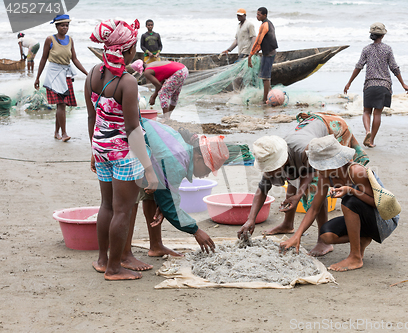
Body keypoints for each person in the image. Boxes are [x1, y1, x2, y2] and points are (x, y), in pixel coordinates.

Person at [85, 18, 158, 281]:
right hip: (123, 154)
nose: (135, 52)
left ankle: (103, 261)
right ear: (126, 50)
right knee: (123, 210)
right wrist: (149, 170)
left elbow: (92, 118)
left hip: (101, 147)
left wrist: (94, 151)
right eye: (134, 48)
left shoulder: (93, 73)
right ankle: (115, 269)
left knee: (106, 205)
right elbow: (133, 130)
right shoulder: (127, 82)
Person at [237, 112, 369, 256]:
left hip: (332, 129)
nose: (270, 173)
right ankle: (288, 224)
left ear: (282, 160)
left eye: (273, 169)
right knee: (292, 176)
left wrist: (299, 195)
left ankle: (324, 241)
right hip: (307, 135)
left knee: (316, 188)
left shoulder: (304, 150)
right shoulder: (271, 154)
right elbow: (262, 189)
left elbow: (311, 172)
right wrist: (251, 220)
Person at [280, 135, 399, 271]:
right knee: (326, 235)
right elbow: (314, 209)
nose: (316, 170)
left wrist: (351, 191)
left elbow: (376, 204)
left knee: (349, 202)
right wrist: (297, 236)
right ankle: (363, 237)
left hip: (383, 221)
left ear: (330, 163)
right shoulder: (325, 177)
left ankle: (355, 257)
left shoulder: (356, 171)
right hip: (364, 219)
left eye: (318, 166)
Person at [120, 125, 230, 270]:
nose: (207, 174)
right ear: (198, 158)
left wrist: (163, 203)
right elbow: (170, 204)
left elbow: (166, 189)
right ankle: (124, 255)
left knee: (151, 193)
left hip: (144, 153)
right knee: (130, 200)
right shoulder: (177, 160)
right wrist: (196, 231)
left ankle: (156, 245)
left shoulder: (183, 152)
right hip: (127, 146)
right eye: (209, 169)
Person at [344, 22, 408, 148]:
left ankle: (367, 131)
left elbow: (358, 67)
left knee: (366, 111)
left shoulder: (366, 49)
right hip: (384, 85)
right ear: (383, 35)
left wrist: (349, 82)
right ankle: (371, 140)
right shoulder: (387, 49)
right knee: (377, 114)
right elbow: (394, 68)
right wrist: (403, 84)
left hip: (370, 85)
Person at [34, 14, 88, 142]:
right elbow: (43, 59)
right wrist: (37, 78)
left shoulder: (70, 40)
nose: (65, 27)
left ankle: (57, 132)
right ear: (56, 26)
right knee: (61, 104)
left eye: (67, 25)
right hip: (53, 74)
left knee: (61, 105)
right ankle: (64, 134)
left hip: (66, 74)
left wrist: (87, 73)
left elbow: (74, 59)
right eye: (62, 25)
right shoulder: (50, 39)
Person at [248, 7, 278, 103]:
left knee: (265, 77)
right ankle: (269, 96)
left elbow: (258, 41)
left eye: (259, 15)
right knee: (266, 76)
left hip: (269, 53)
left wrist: (250, 55)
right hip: (269, 52)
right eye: (256, 14)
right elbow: (266, 40)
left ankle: (265, 100)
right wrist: (259, 49)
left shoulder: (264, 25)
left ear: (264, 15)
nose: (257, 16)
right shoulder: (268, 23)